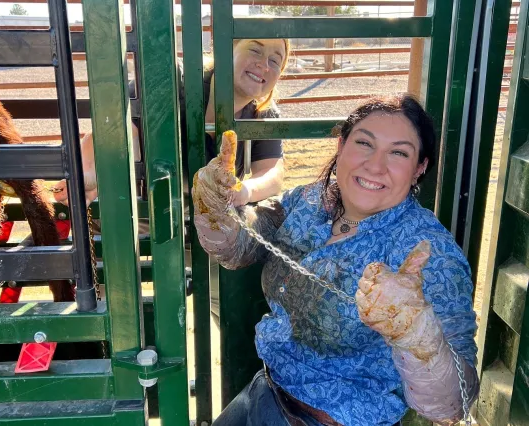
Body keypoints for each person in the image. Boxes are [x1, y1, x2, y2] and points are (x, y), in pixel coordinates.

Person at [192, 95, 480, 426]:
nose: (375, 165)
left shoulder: (429, 254)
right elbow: (241, 246)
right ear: (341, 145)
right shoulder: (310, 200)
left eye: (398, 152)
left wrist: (417, 335)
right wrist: (215, 211)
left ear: (419, 168)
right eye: (364, 143)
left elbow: (454, 404)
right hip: (267, 391)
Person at [52, 38, 291, 208]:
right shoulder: (174, 82)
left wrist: (245, 191)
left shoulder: (263, 114)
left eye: (275, 60)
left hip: (208, 223)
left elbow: (272, 172)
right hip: (145, 212)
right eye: (255, 51)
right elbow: (117, 129)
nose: (264, 65)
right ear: (227, 50)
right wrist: (95, 171)